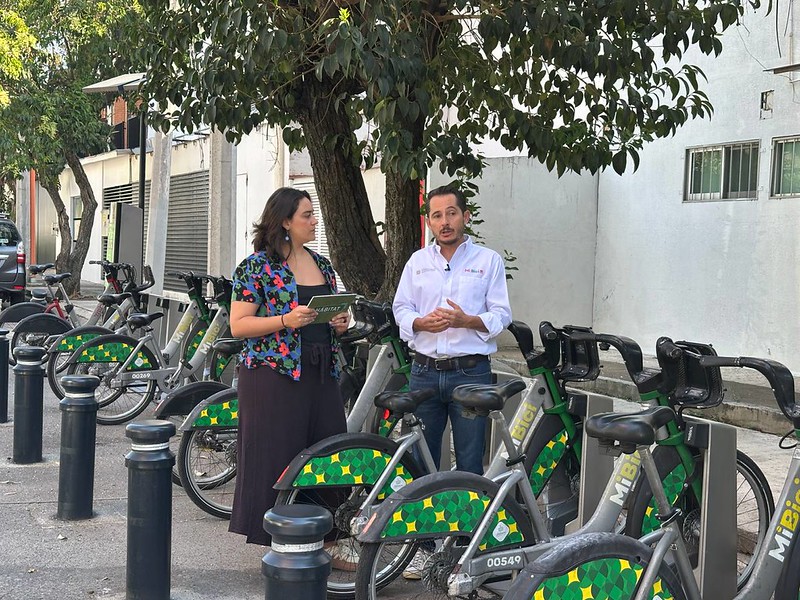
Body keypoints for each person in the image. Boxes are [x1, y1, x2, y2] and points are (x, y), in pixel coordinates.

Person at [228, 187, 354, 569]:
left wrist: (340, 322)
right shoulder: (256, 267)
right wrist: (285, 319)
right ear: (285, 221)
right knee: (277, 457)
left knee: (330, 453)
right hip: (273, 376)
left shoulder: (322, 264)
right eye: (307, 215)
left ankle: (329, 541)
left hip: (321, 372)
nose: (315, 221)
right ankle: (282, 542)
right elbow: (238, 325)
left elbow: (330, 318)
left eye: (313, 214)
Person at [393, 185, 512, 578]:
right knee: (420, 462)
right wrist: (418, 323)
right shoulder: (417, 262)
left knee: (470, 462)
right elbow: (400, 307)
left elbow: (501, 315)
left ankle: (464, 551)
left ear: (465, 216)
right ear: (429, 221)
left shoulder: (487, 261)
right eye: (437, 215)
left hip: (470, 372)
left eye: (451, 213)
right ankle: (422, 548)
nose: (444, 222)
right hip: (424, 371)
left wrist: (468, 320)